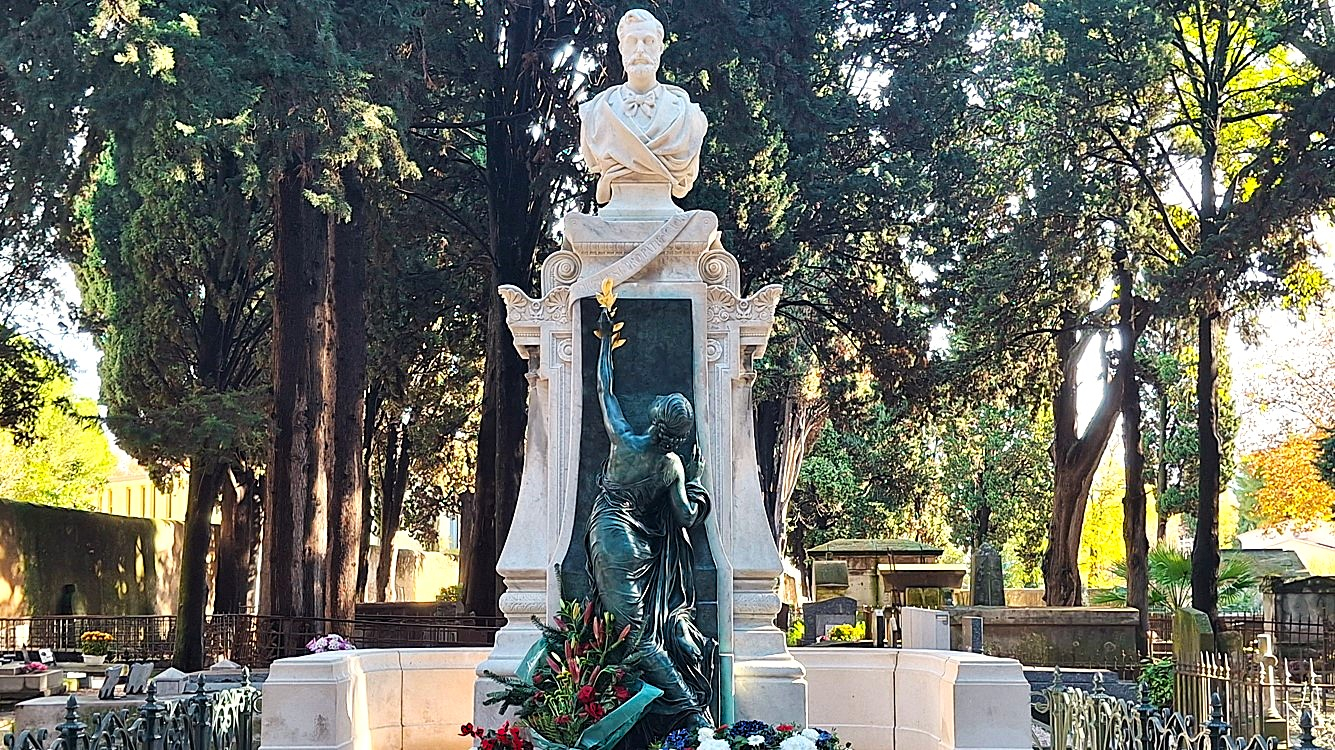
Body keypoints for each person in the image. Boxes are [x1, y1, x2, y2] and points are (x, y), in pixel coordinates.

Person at [586, 306, 713, 735]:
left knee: (635, 640)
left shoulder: (623, 440)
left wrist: (605, 341)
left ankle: (688, 714)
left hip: (613, 539)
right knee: (632, 638)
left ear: (654, 417)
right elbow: (687, 516)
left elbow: (604, 389)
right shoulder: (671, 465)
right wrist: (695, 483)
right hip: (635, 547)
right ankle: (683, 714)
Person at [579, 9, 708, 206]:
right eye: (632, 41)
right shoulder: (594, 113)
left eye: (648, 41)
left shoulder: (689, 116)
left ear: (660, 48)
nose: (640, 49)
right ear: (622, 48)